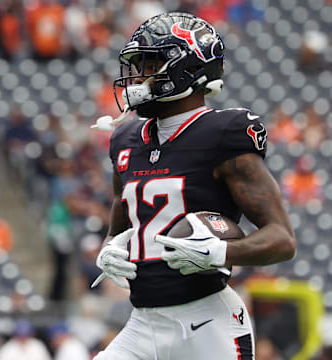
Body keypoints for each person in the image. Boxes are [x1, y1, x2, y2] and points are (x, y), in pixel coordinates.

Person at [91, 12, 295, 360]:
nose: (138, 75)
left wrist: (220, 252)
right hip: (142, 323)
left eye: (150, 63)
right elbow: (122, 219)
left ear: (185, 68)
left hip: (207, 323)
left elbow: (282, 239)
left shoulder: (223, 134)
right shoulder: (125, 139)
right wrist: (110, 247)